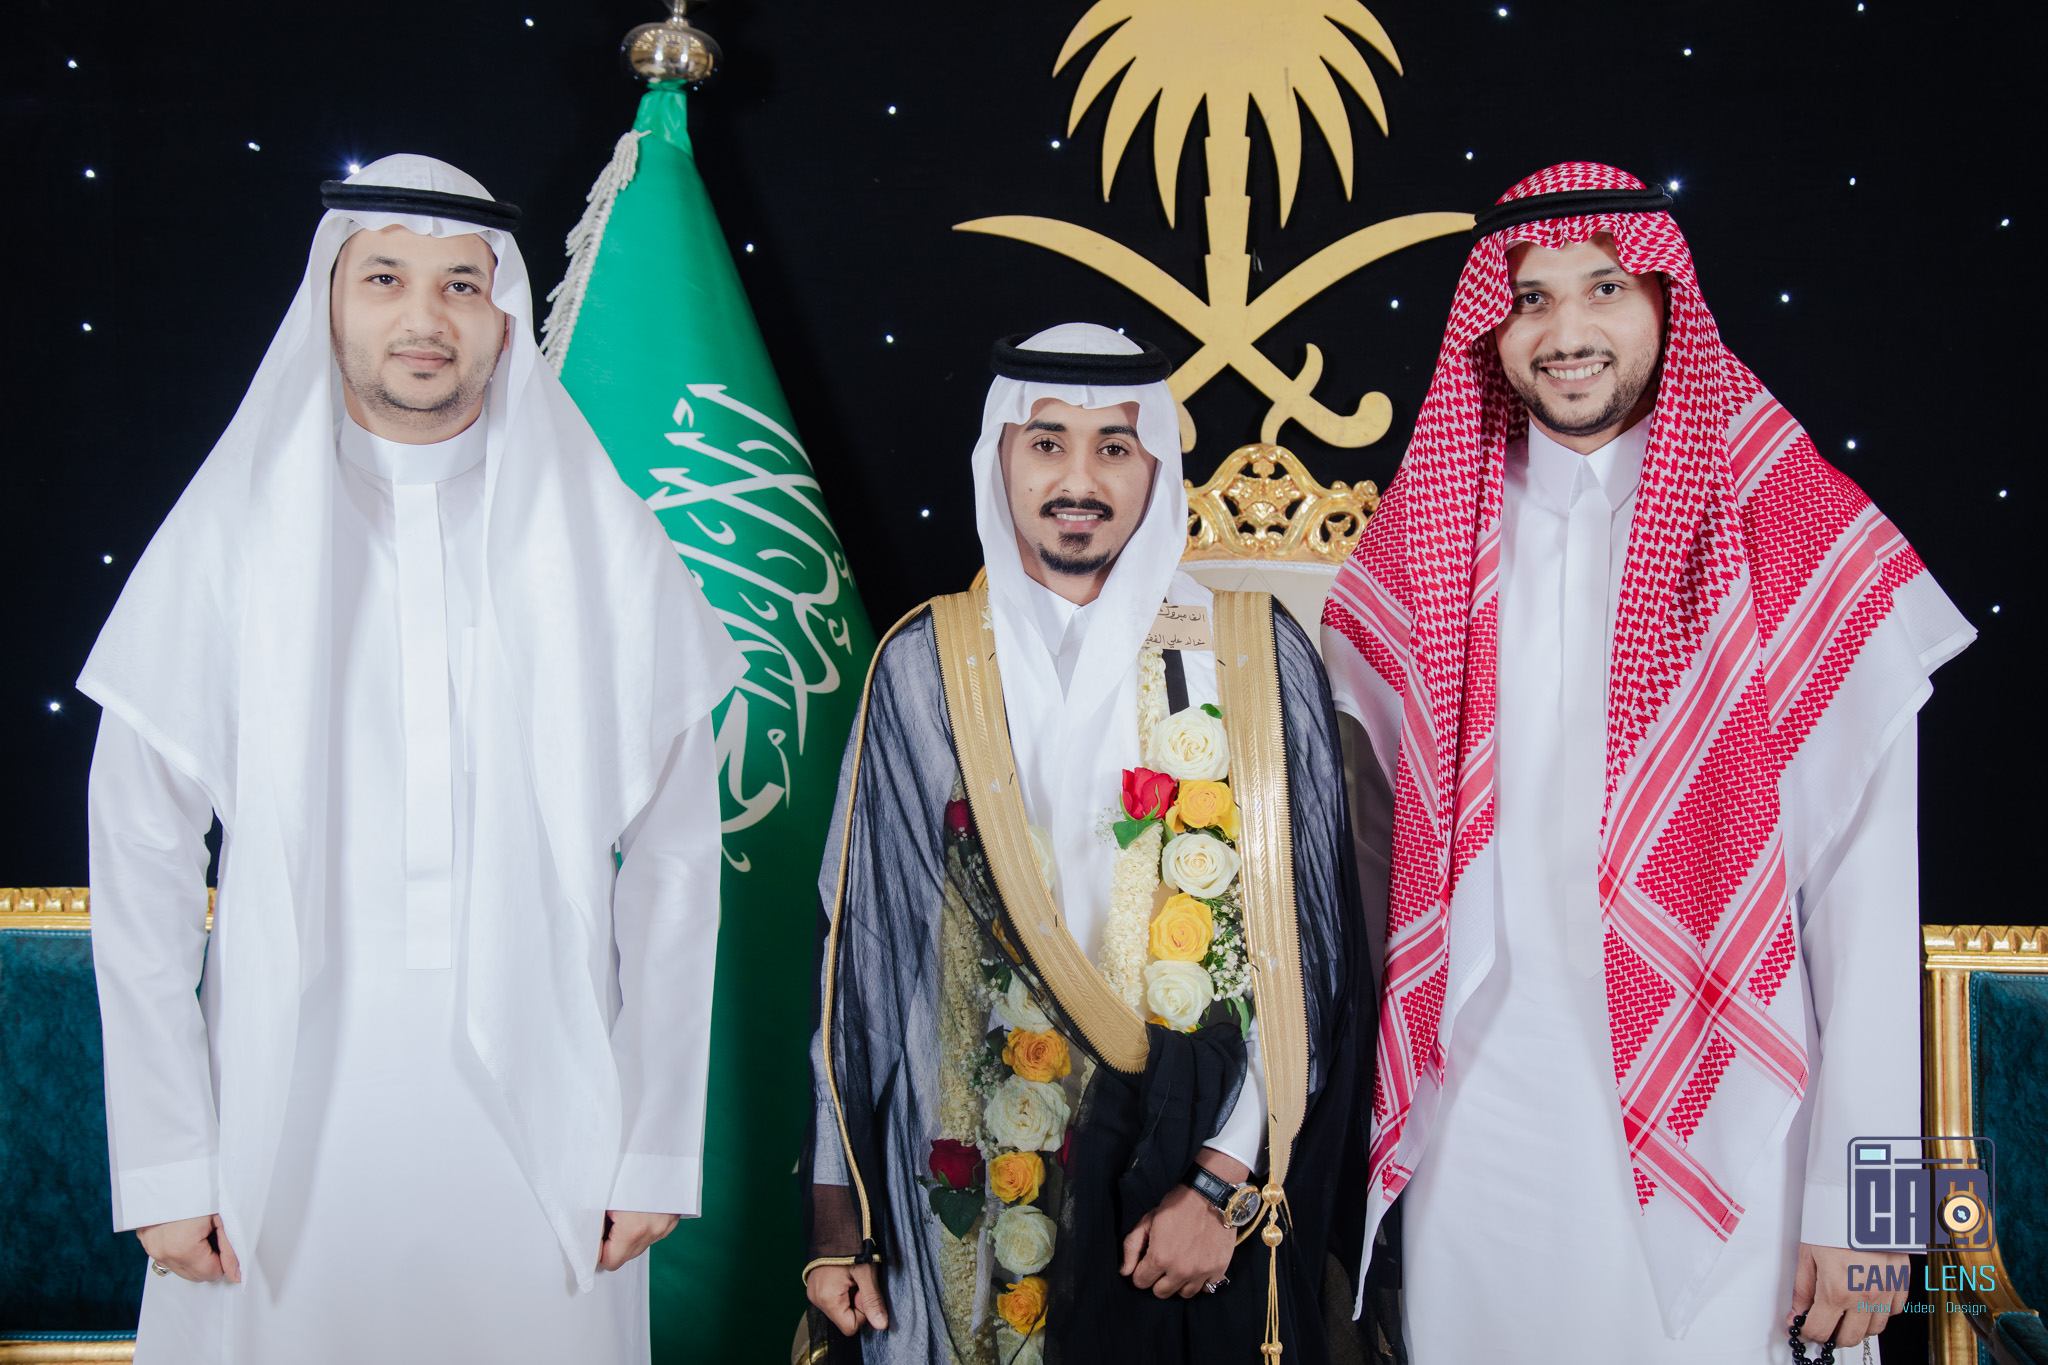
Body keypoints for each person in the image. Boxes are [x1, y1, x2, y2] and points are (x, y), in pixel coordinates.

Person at [79, 155, 744, 1363]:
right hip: (279, 1129)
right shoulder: (230, 538)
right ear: (329, 302)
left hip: (548, 1132)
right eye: (384, 278)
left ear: (504, 317)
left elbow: (675, 865)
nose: (423, 318)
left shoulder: (600, 544)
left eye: (460, 284)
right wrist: (167, 1158)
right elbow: (141, 860)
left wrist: (653, 1141)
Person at [1321, 162, 1975, 1361]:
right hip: (1480, 1120)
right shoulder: (1428, 531)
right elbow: (1376, 867)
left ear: (1666, 304)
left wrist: (1872, 1211)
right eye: (1528, 298)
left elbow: (1872, 900)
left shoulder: (1793, 526)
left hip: (1731, 1107)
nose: (1564, 331)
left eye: (1604, 288)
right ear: (1490, 327)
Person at [801, 323, 1369, 1364]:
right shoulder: (925, 664)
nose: (1079, 479)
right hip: (976, 1193)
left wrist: (1221, 1181)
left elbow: (1305, 958)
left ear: (1156, 465)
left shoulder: (1251, 654)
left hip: (1186, 1196)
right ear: (1000, 459)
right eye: (1046, 442)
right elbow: (861, 960)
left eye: (1114, 446)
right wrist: (838, 1219)